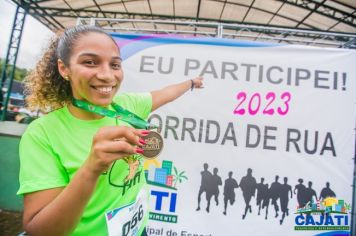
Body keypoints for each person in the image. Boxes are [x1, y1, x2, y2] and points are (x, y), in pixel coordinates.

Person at [17, 25, 203, 236]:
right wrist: (91, 168)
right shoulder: (42, 134)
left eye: (115, 64)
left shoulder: (128, 106)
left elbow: (166, 93)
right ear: (64, 68)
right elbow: (40, 230)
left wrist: (191, 83)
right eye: (90, 62)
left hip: (137, 229)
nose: (107, 75)